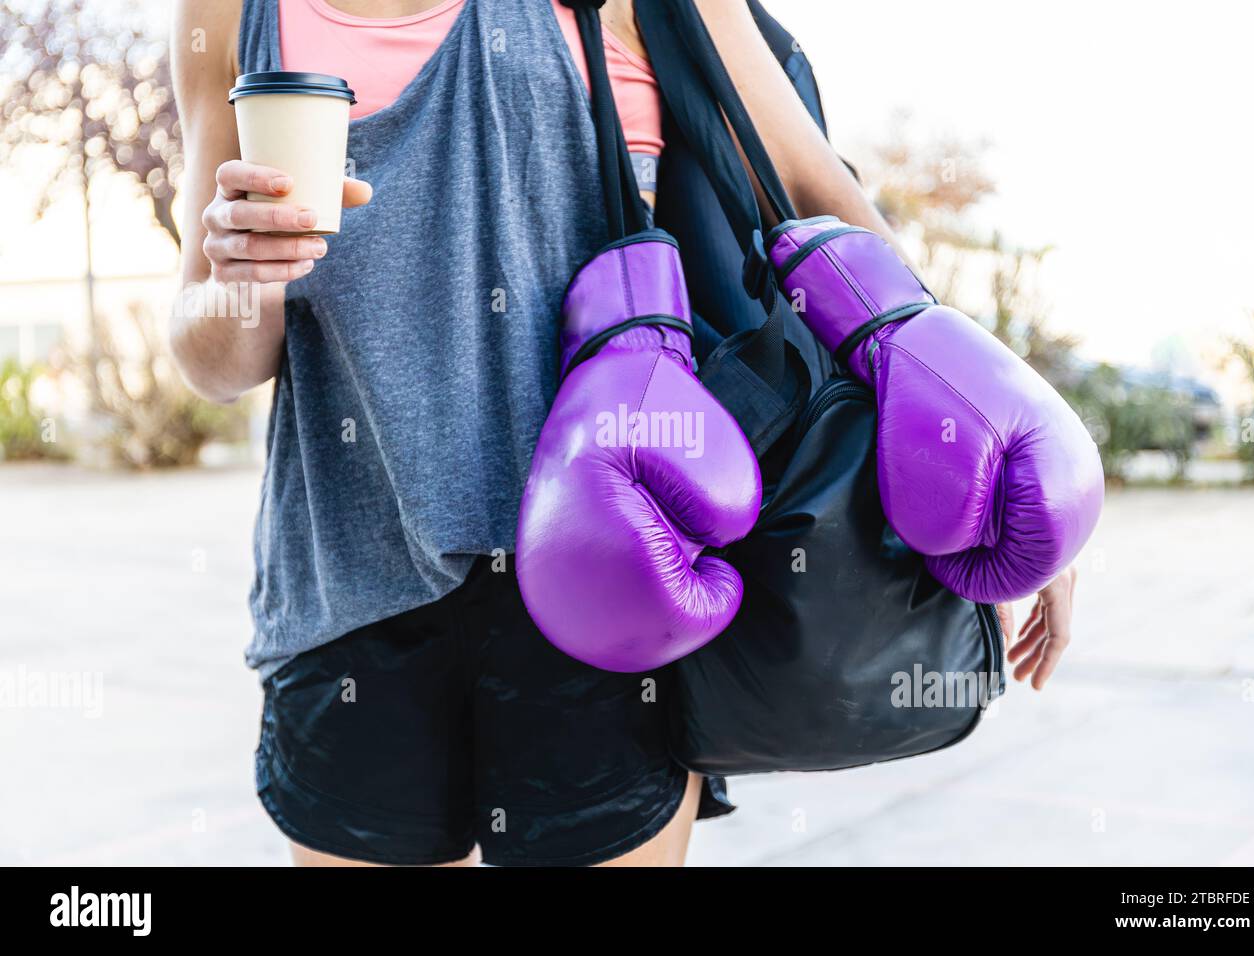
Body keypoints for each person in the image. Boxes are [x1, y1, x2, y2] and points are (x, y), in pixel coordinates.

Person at [170, 0, 1078, 868]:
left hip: (619, 584)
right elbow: (217, 363)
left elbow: (812, 187)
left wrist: (983, 427)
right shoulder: (231, 12)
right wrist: (242, 275)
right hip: (347, 589)